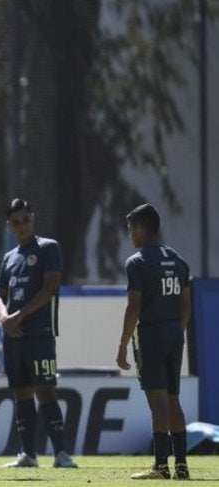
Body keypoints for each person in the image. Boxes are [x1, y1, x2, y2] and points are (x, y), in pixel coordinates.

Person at [0, 198, 77, 469]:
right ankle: (27, 454)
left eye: (25, 220)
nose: (22, 227)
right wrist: (4, 317)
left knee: (45, 390)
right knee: (21, 393)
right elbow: (0, 295)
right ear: (9, 226)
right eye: (16, 223)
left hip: (40, 334)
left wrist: (20, 315)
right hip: (14, 336)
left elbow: (50, 287)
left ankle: (62, 454)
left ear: (33, 217)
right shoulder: (9, 257)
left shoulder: (48, 248)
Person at [116, 203, 191, 480]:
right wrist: (179, 331)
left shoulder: (136, 262)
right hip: (174, 333)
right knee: (173, 400)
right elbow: (186, 303)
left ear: (139, 228)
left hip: (151, 335)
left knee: (157, 402)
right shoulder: (179, 260)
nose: (130, 235)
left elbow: (133, 306)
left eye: (130, 229)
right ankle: (181, 465)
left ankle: (161, 466)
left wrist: (123, 344)